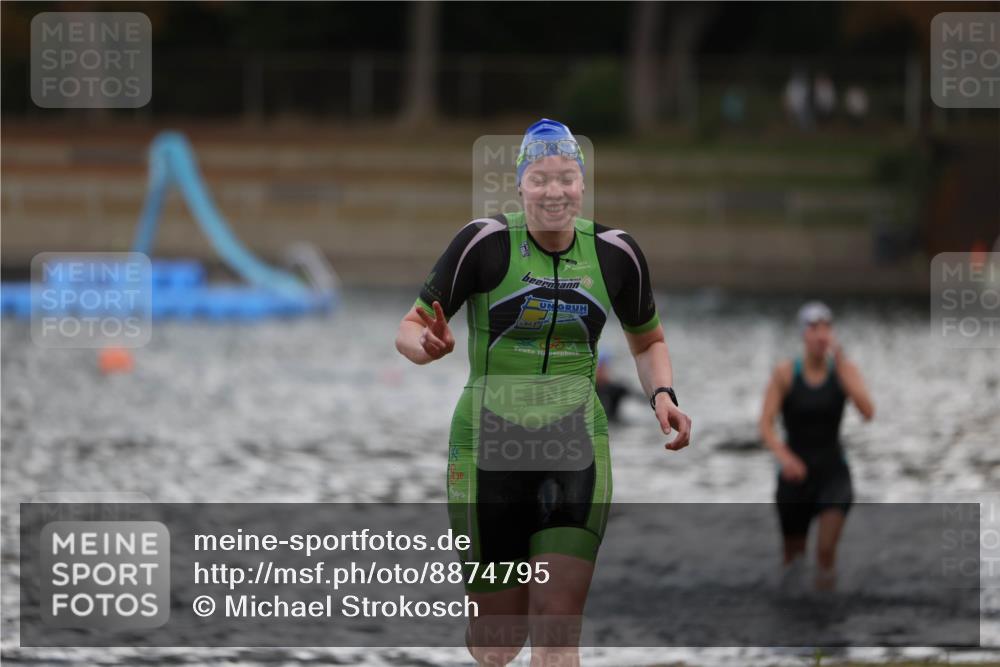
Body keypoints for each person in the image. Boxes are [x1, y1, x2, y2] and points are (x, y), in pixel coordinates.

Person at [395, 118, 692, 666]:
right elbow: (409, 328)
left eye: (566, 179)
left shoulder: (616, 254)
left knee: (558, 622)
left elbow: (648, 341)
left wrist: (663, 395)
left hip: (575, 443)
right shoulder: (482, 243)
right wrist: (426, 346)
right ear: (520, 186)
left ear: (582, 184)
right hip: (487, 446)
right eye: (540, 179)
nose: (554, 192)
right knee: (499, 641)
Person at [758, 301, 875, 591]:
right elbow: (765, 424)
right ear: (803, 335)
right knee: (793, 558)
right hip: (794, 477)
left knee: (825, 552)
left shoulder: (845, 371)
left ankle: (827, 614)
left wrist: (847, 377)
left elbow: (868, 413)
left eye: (826, 328)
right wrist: (784, 458)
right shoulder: (785, 374)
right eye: (813, 328)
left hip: (833, 474)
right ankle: (794, 616)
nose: (821, 334)